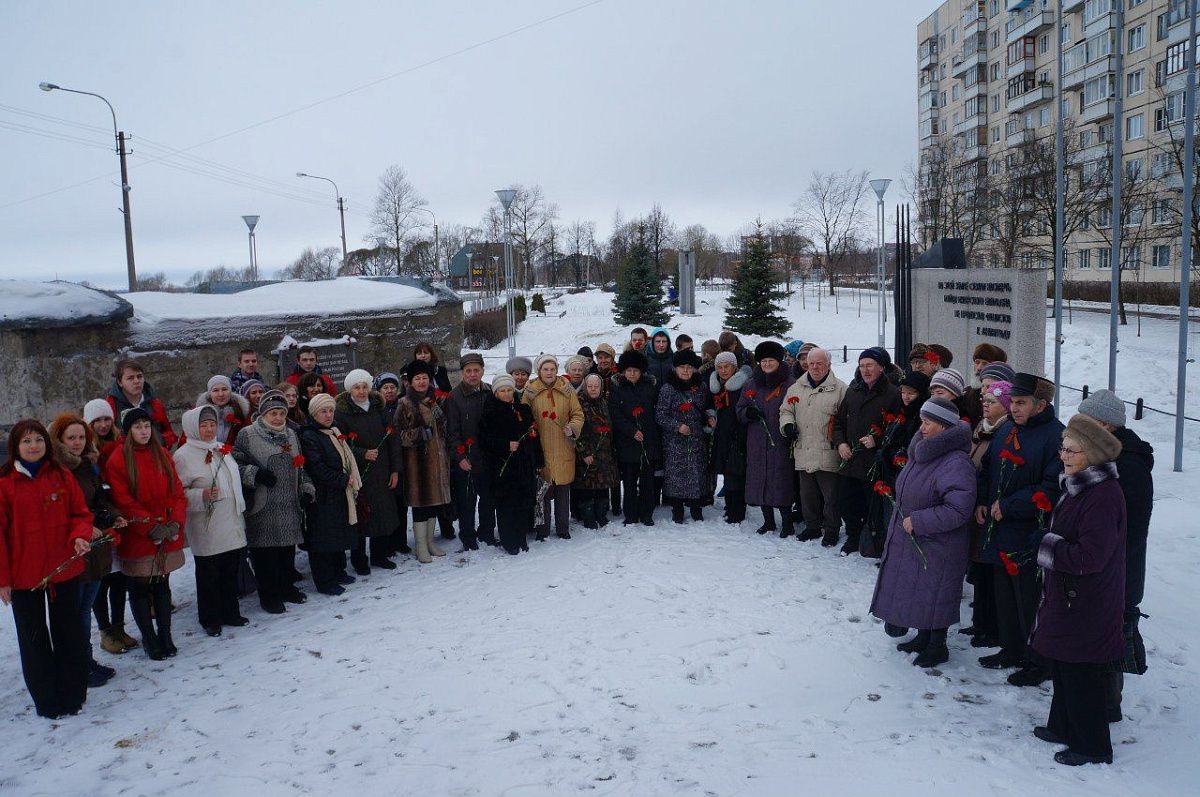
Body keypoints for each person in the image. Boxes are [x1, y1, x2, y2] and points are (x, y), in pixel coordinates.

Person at [1029, 413, 1126, 766]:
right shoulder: (1079, 485)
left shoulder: (1102, 495)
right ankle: (1063, 726)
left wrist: (1046, 545)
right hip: (1070, 593)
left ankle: (1093, 745)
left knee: (1080, 669)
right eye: (1063, 449)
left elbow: (1091, 556)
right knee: (1064, 661)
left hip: (1087, 598)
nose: (1064, 456)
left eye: (1073, 451)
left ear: (1094, 455)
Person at [870, 397, 977, 668]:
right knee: (921, 590)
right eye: (922, 421)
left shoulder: (956, 461)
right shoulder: (924, 451)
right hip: (918, 536)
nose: (923, 426)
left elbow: (958, 509)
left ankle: (937, 646)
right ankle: (923, 637)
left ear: (943, 426)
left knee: (936, 591)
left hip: (939, 540)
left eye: (928, 422)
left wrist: (920, 520)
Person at [0, 420, 94, 718]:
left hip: (63, 569)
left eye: (38, 440)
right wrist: (3, 579)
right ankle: (47, 700)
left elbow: (80, 513)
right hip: (24, 576)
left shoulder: (61, 476)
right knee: (34, 639)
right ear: (15, 446)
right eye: (26, 441)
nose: (33, 446)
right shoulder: (5, 484)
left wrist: (79, 535)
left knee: (69, 633)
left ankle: (72, 694)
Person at [974, 372, 1063, 687]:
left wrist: (1010, 505)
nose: (1014, 408)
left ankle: (1038, 660)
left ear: (1041, 404)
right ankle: (1011, 649)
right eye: (1012, 401)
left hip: (1028, 533)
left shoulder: (1055, 437)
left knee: (1030, 599)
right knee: (1006, 596)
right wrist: (984, 501)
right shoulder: (1006, 430)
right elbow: (988, 469)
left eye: (1021, 402)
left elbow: (1052, 486)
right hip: (1000, 529)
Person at [1076, 388, 1154, 719]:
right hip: (1104, 565)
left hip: (1117, 569)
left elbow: (1128, 526)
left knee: (1109, 638)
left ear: (1106, 426)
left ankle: (1107, 707)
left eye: (1086, 421)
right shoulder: (1105, 456)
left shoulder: (1129, 465)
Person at [105, 408, 188, 660]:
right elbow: (123, 499)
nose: (143, 431)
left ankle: (165, 635)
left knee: (162, 584)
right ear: (128, 431)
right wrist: (149, 526)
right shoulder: (118, 459)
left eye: (146, 426)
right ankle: (149, 638)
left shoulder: (162, 454)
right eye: (137, 426)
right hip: (140, 534)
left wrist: (174, 523)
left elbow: (177, 491)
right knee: (140, 587)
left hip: (166, 529)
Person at [49, 413, 124, 687]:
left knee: (84, 609)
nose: (77, 442)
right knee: (74, 612)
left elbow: (100, 499)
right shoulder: (56, 471)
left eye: (81, 437)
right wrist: (84, 528)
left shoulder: (87, 466)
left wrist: (112, 516)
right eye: (71, 437)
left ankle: (85, 660)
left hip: (96, 548)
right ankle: (76, 664)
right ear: (59, 440)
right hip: (74, 549)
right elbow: (59, 512)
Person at [232, 390, 315, 614]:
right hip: (263, 505)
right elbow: (234, 464)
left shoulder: (291, 434)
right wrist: (255, 474)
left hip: (288, 504)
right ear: (263, 414)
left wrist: (306, 489)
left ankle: (287, 588)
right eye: (272, 413)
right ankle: (269, 596)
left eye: (281, 413)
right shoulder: (247, 434)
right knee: (265, 555)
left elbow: (301, 466)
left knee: (286, 552)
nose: (277, 418)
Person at [172, 406, 249, 637]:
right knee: (209, 574)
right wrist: (201, 495)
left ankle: (230, 612)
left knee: (229, 569)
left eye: (212, 424)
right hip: (207, 523)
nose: (208, 429)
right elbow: (179, 493)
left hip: (230, 520)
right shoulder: (183, 456)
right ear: (193, 428)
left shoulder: (220, 448)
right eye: (203, 425)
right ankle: (210, 618)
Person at [832, 347, 899, 555]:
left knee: (872, 506)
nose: (865, 370)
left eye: (870, 365)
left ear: (881, 368)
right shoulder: (853, 391)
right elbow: (838, 423)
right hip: (850, 460)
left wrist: (878, 440)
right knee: (845, 502)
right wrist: (840, 443)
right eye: (862, 365)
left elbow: (899, 428)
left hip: (874, 464)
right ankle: (853, 537)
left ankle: (872, 541)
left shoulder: (893, 394)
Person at [335, 368, 403, 570]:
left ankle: (379, 555)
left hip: (382, 470)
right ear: (350, 390)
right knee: (362, 515)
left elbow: (393, 440)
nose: (362, 391)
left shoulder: (378, 408)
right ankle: (359, 559)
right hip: (359, 472)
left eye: (365, 386)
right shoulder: (342, 413)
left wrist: (395, 470)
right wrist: (361, 453)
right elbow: (341, 445)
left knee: (381, 513)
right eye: (357, 387)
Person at [962, 379, 1011, 651]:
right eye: (985, 400)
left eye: (991, 401)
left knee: (989, 572)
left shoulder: (1004, 432)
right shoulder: (983, 428)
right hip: (978, 506)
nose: (985, 404)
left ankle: (990, 627)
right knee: (979, 570)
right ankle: (980, 622)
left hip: (992, 511)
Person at [83, 400, 135, 656]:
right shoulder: (85, 452)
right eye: (97, 421)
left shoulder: (120, 445)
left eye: (106, 419)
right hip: (98, 522)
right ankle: (105, 631)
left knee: (119, 577)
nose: (103, 425)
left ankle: (118, 626)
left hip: (118, 515)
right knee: (101, 578)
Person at [781, 347, 846, 544]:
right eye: (811, 364)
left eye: (820, 363)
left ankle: (832, 529)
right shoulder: (795, 388)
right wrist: (788, 425)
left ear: (828, 365)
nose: (815, 367)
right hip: (804, 449)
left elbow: (845, 421)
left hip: (828, 452)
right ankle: (812, 527)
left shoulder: (841, 389)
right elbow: (785, 410)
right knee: (807, 494)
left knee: (831, 496)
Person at [300, 393, 362, 594]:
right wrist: (342, 480)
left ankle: (339, 571)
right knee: (323, 540)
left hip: (339, 493)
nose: (328, 415)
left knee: (338, 534)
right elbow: (316, 467)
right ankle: (325, 581)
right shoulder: (309, 435)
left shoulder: (334, 431)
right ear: (313, 413)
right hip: (323, 495)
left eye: (330, 411)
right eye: (323, 411)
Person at [394, 359, 452, 563]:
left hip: (436, 461)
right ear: (410, 381)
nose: (421, 382)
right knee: (420, 507)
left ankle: (429, 542)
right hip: (417, 465)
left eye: (424, 378)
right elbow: (398, 435)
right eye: (417, 378)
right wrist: (420, 434)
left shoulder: (434, 400)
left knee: (433, 504)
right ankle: (420, 546)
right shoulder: (405, 403)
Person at [737, 341, 795, 537]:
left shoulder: (790, 384)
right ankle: (768, 521)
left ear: (779, 362)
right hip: (757, 440)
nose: (767, 364)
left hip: (780, 440)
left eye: (771, 360)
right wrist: (748, 413)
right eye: (764, 361)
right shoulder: (751, 384)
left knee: (781, 480)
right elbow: (740, 409)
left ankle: (787, 523)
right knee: (760, 479)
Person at [524, 355, 585, 540]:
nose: (549, 373)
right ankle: (542, 529)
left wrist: (572, 427)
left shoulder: (566, 390)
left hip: (563, 446)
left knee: (562, 490)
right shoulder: (530, 391)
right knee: (542, 491)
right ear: (539, 371)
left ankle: (562, 528)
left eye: (552, 369)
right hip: (540, 447)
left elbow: (577, 414)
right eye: (545, 369)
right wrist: (530, 431)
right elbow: (523, 417)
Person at [479, 375, 541, 555]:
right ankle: (509, 540)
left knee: (522, 504)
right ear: (496, 393)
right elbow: (484, 440)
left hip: (523, 465)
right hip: (502, 468)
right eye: (502, 390)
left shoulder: (523, 409)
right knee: (506, 506)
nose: (506, 394)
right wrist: (505, 445)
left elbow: (533, 435)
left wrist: (537, 459)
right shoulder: (490, 412)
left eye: (509, 390)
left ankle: (521, 537)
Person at [445, 354, 496, 550]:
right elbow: (452, 432)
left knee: (488, 498)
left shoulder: (489, 391)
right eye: (468, 371)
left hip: (487, 457)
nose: (473, 375)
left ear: (482, 370)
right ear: (462, 373)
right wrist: (460, 457)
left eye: (476, 370)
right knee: (467, 501)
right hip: (466, 458)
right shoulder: (454, 397)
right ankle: (468, 536)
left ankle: (487, 532)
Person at [655, 349, 712, 523]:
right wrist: (677, 426)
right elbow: (660, 415)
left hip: (696, 438)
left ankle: (696, 507)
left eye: (689, 367)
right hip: (675, 440)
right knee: (676, 477)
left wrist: (710, 417)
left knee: (696, 473)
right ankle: (677, 508)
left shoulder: (701, 386)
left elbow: (707, 406)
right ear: (675, 368)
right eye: (682, 367)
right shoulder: (668, 388)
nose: (686, 371)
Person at [610, 349, 661, 526]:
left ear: (641, 371)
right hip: (627, 442)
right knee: (630, 481)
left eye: (636, 371)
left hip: (648, 440)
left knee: (648, 481)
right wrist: (631, 431)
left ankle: (647, 513)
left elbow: (656, 411)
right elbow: (616, 414)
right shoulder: (617, 388)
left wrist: (648, 431)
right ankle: (630, 514)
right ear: (623, 371)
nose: (632, 374)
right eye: (629, 370)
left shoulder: (650, 386)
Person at [709, 352, 752, 524]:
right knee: (728, 474)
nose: (723, 370)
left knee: (736, 474)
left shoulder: (742, 385)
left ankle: (737, 510)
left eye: (726, 367)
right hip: (722, 435)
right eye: (719, 367)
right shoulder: (718, 386)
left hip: (737, 435)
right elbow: (711, 405)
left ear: (734, 367)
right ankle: (730, 506)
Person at [573, 374, 617, 528]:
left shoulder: (604, 402)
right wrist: (584, 452)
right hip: (588, 454)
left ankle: (601, 515)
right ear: (585, 387)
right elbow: (575, 432)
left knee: (602, 487)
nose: (593, 389)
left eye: (596, 386)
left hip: (604, 453)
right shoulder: (579, 403)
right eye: (590, 386)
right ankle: (588, 518)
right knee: (587, 487)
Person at [105, 359, 178, 450]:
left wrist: (161, 441)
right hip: (125, 458)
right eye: (130, 378)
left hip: (154, 457)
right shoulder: (111, 405)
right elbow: (104, 437)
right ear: (120, 382)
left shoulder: (154, 404)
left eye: (139, 376)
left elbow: (168, 432)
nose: (136, 381)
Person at [195, 375, 251, 445]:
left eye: (224, 389)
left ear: (230, 392)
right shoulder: (198, 414)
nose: (221, 394)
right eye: (215, 390)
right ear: (209, 394)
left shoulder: (240, 411)